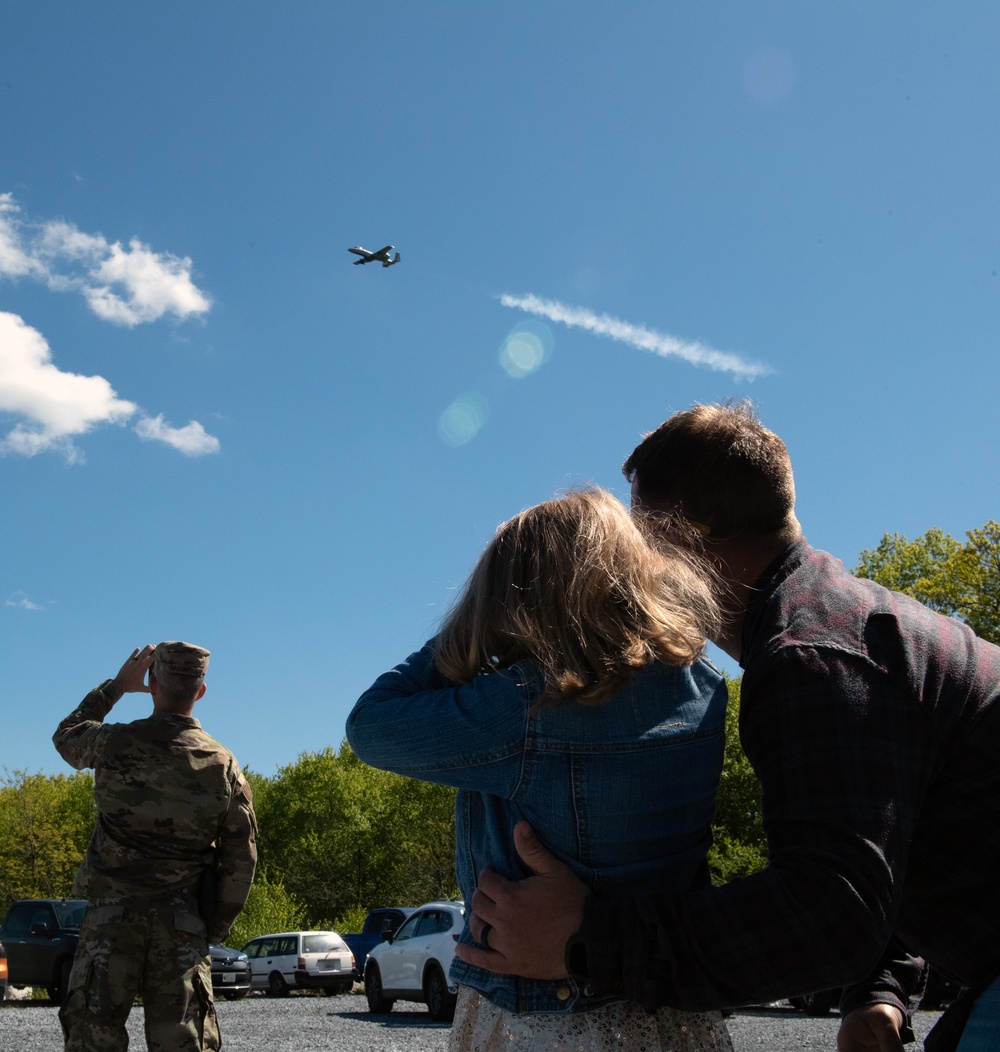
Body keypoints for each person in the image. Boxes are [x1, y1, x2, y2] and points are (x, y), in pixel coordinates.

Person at [455, 402, 1000, 1052]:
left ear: (683, 539)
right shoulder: (845, 622)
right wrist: (881, 994)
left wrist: (584, 939)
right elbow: (891, 849)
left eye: (638, 543)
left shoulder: (808, 659)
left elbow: (829, 914)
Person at [347, 488, 734, 1051]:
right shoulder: (704, 688)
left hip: (548, 1014)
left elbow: (370, 726)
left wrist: (462, 636)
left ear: (516, 599)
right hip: (667, 1000)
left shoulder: (526, 707)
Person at [53, 641, 258, 1052]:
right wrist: (211, 927)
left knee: (93, 1039)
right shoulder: (222, 765)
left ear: (151, 683)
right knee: (182, 1043)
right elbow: (241, 858)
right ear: (200, 691)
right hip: (181, 926)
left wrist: (115, 687)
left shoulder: (113, 742)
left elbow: (67, 736)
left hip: (109, 921)